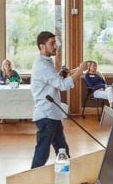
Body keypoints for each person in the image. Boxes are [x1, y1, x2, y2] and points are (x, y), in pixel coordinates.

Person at [30, 31, 83, 169]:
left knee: (62, 149)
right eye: (52, 43)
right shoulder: (43, 65)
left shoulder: (47, 62)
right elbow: (63, 85)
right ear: (42, 46)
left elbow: (53, 81)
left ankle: (69, 174)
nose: (55, 46)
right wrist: (80, 72)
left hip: (52, 115)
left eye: (55, 42)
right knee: (42, 152)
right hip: (46, 115)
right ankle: (32, 179)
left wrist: (62, 74)